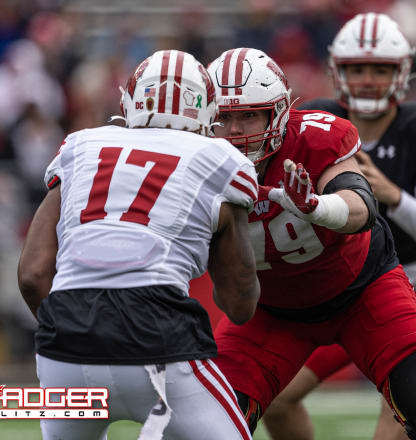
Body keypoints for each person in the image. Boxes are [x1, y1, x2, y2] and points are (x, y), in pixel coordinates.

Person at [207, 47, 416, 440]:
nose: (237, 131)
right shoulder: (195, 166)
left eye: (249, 114)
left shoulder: (315, 136)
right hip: (271, 312)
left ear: (278, 113)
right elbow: (233, 304)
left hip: (363, 291)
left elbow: (361, 207)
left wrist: (316, 206)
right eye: (225, 118)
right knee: (207, 424)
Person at [17, 49, 260, 440]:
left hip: (66, 341)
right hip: (161, 340)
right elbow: (239, 302)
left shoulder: (82, 146)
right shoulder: (221, 160)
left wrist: (75, 328)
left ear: (129, 100)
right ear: (207, 110)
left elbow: (32, 274)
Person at [261, 13, 416, 440]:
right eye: (357, 68)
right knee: (277, 402)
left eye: (381, 69)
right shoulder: (316, 123)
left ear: (402, 72)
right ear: (338, 70)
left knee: (398, 420)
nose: (368, 79)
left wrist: (392, 195)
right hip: (344, 289)